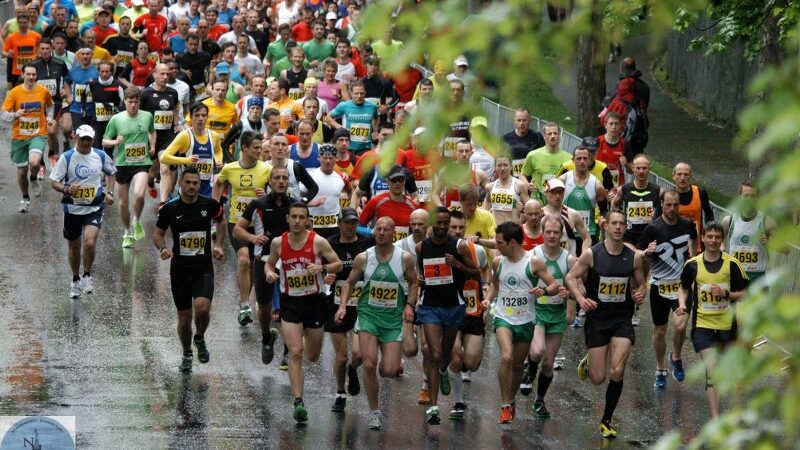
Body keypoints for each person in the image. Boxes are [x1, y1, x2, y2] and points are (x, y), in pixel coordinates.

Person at [566, 210, 647, 439]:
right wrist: (581, 299)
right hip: (598, 319)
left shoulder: (634, 257)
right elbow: (570, 277)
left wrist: (640, 293)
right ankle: (590, 362)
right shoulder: (592, 255)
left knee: (618, 370)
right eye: (614, 223)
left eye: (622, 224)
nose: (619, 227)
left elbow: (641, 284)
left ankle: (606, 420)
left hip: (622, 318)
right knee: (598, 377)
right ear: (606, 227)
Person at [333, 216, 416, 429]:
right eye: (377, 229)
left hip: (392, 319)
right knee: (368, 363)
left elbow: (414, 282)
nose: (380, 233)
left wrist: (409, 305)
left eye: (385, 229)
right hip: (368, 314)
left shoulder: (404, 258)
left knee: (389, 370)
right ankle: (375, 412)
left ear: (393, 234)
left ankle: (381, 369)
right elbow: (349, 283)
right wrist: (343, 306)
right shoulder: (363, 257)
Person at [264, 202, 342, 423]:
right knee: (296, 352)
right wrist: (270, 273)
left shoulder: (317, 242)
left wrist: (322, 268)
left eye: (302, 217)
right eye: (294, 217)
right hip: (290, 303)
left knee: (313, 356)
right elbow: (269, 265)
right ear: (287, 219)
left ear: (308, 220)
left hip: (314, 303)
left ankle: (284, 339)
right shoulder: (279, 243)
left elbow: (337, 263)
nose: (297, 221)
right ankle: (298, 401)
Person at [484, 221, 559, 423]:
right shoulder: (498, 262)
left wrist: (543, 290)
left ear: (513, 243)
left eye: (500, 242)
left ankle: (511, 398)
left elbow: (553, 285)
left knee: (517, 366)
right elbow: (495, 285)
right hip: (503, 317)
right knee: (506, 357)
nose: (496, 246)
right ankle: (505, 404)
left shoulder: (533, 262)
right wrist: (488, 299)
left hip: (526, 319)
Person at [153, 166, 226, 373]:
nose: (193, 186)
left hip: (202, 267)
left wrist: (219, 244)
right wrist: (163, 249)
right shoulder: (170, 208)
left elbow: (221, 220)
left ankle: (200, 337)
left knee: (202, 307)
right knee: (184, 318)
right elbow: (157, 233)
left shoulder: (209, 205)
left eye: (196, 183)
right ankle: (186, 352)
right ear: (180, 184)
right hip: (180, 270)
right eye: (188, 182)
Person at [676, 222, 749, 418]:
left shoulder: (732, 264)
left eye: (717, 237)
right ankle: (716, 419)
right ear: (703, 238)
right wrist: (682, 304)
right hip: (703, 325)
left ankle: (734, 414)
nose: (714, 240)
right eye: (710, 236)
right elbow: (682, 288)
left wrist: (726, 294)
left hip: (727, 326)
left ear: (722, 239)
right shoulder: (692, 265)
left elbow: (746, 293)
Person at [415, 207, 480, 425]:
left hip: (454, 306)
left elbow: (476, 272)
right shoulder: (421, 247)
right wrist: (420, 279)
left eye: (446, 223)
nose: (443, 227)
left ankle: (443, 370)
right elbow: (419, 272)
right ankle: (433, 407)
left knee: (445, 355)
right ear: (432, 223)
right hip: (430, 306)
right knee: (433, 353)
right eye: (439, 223)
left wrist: (457, 264)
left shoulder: (459, 246)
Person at [233, 166, 298, 364]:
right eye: (277, 178)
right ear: (269, 181)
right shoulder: (257, 204)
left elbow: (308, 229)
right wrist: (253, 238)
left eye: (284, 178)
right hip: (263, 260)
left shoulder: (296, 204)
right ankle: (266, 337)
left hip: (290, 263)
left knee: (290, 304)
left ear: (288, 181)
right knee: (264, 306)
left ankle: (289, 347)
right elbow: (237, 230)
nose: (281, 181)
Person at [638, 189, 697, 388]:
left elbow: (694, 241)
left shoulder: (687, 225)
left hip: (681, 286)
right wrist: (647, 252)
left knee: (680, 326)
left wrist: (692, 256)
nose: (672, 209)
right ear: (661, 205)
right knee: (661, 330)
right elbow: (639, 254)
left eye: (675, 205)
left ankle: (676, 356)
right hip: (659, 285)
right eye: (668, 205)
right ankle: (661, 367)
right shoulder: (652, 228)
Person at [50, 125, 116, 298]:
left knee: (89, 242)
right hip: (72, 208)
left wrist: (109, 192)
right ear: (75, 138)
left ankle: (87, 275)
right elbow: (54, 181)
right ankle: (75, 279)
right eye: (82, 139)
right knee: (74, 245)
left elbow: (111, 173)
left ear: (93, 140)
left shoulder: (100, 155)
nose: (85, 142)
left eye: (88, 139)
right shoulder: (67, 157)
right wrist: (66, 189)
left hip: (94, 207)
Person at [213, 130, 272, 326]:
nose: (259, 151)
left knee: (254, 265)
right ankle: (246, 304)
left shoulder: (266, 169)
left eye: (260, 147)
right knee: (244, 260)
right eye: (256, 148)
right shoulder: (230, 168)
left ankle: (244, 296)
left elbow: (275, 192)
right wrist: (217, 204)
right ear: (244, 148)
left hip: (258, 225)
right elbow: (218, 182)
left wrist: (266, 194)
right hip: (236, 222)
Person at [521, 215, 576, 416]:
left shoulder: (568, 259)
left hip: (557, 314)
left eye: (556, 232)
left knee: (548, 363)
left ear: (561, 235)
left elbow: (580, 290)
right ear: (542, 233)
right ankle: (529, 371)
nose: (552, 236)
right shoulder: (532, 256)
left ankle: (540, 400)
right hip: (535, 311)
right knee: (537, 351)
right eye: (548, 232)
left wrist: (569, 296)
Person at [323, 208, 373, 411]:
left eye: (353, 222)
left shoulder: (367, 242)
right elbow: (318, 267)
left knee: (358, 356)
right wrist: (324, 276)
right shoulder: (329, 244)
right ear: (339, 223)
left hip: (362, 303)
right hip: (336, 304)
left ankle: (354, 369)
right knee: (342, 356)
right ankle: (340, 392)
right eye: (346, 222)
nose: (350, 226)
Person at [446, 210, 491, 420]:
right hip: (450, 309)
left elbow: (484, 272)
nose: (457, 231)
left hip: (473, 310)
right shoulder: (439, 249)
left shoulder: (477, 250)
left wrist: (487, 294)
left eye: (461, 227)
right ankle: (458, 401)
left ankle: (463, 366)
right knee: (455, 356)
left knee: (472, 363)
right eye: (453, 227)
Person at [102, 86, 155, 247]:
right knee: (123, 203)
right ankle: (126, 232)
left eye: (136, 102)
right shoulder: (116, 119)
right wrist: (114, 142)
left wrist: (152, 145)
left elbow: (152, 131)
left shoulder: (147, 116)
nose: (133, 105)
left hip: (142, 162)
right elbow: (105, 140)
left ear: (140, 102)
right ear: (124, 101)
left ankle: (136, 220)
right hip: (123, 163)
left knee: (139, 195)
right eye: (130, 102)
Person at [2, 64, 55, 212]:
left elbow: (50, 105)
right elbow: (3, 114)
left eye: (34, 74)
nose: (31, 77)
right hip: (19, 137)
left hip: (38, 134)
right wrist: (15, 115)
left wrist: (49, 117)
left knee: (34, 161)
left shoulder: (43, 91)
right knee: (21, 171)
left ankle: (34, 177)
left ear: (36, 76)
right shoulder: (14, 93)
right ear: (23, 75)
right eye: (28, 74)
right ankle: (25, 198)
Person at [160, 102, 224, 198]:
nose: (200, 119)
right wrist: (186, 160)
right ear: (190, 117)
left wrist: (218, 160)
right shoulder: (184, 136)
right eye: (197, 115)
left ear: (207, 117)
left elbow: (218, 150)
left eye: (203, 115)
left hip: (207, 188)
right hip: (187, 189)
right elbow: (164, 158)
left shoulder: (213, 136)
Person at [721, 181, 774, 282]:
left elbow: (785, 249)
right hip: (734, 274)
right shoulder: (729, 220)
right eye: (746, 196)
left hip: (757, 277)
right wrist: (723, 249)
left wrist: (769, 243)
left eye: (753, 196)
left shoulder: (767, 221)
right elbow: (719, 239)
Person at [558, 145, 608, 245]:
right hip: (566, 232)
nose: (582, 161)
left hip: (588, 234)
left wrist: (603, 218)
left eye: (585, 158)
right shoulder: (563, 180)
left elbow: (604, 210)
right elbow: (551, 202)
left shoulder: (596, 185)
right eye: (579, 158)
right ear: (573, 160)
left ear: (589, 160)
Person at [31, 38, 70, 164]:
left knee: (52, 131)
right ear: (38, 50)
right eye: (42, 49)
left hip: (55, 103)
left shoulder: (59, 63)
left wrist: (65, 89)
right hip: (38, 105)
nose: (45, 51)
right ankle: (41, 161)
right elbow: (23, 82)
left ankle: (53, 154)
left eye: (47, 49)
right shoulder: (33, 65)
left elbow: (68, 78)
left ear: (52, 49)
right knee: (41, 133)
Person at [358, 165, 419, 243]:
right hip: (380, 249)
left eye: (401, 180)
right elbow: (358, 227)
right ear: (387, 181)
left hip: (404, 251)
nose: (398, 183)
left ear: (405, 181)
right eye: (394, 180)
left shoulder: (413, 206)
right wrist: (373, 232)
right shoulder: (376, 202)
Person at [611, 154, 661, 246]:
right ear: (633, 168)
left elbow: (666, 209)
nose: (641, 171)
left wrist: (657, 214)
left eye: (644, 168)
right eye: (638, 168)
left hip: (649, 235)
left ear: (649, 169)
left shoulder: (657, 190)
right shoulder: (624, 189)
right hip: (629, 236)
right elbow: (614, 204)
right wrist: (620, 219)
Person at [519, 122, 570, 201]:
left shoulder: (569, 158)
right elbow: (522, 175)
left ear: (559, 135)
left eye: (555, 133)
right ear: (544, 136)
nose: (552, 136)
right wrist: (527, 185)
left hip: (558, 203)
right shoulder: (533, 155)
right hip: (538, 204)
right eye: (549, 134)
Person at [326, 79, 378, 156]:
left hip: (366, 147)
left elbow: (376, 118)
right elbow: (328, 118)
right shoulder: (344, 105)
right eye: (356, 93)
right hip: (348, 146)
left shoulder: (372, 106)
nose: (359, 96)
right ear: (351, 94)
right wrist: (340, 127)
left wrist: (375, 130)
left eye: (361, 93)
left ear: (365, 93)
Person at [308, 144, 350, 239]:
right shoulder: (310, 176)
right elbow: (299, 200)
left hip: (334, 225)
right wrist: (312, 203)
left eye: (331, 158)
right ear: (319, 158)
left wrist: (351, 209)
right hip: (313, 224)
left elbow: (352, 193)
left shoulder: (342, 177)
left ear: (336, 159)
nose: (327, 161)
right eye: (325, 158)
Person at [432, 141, 490, 211]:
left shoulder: (479, 173)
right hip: (450, 217)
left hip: (470, 217)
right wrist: (443, 209)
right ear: (455, 153)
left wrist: (483, 209)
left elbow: (490, 193)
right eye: (461, 151)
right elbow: (435, 195)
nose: (464, 154)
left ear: (471, 153)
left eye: (467, 151)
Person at [542, 178, 591, 256]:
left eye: (560, 192)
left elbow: (587, 238)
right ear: (546, 193)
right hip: (544, 263)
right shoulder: (539, 214)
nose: (557, 196)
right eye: (554, 192)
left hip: (568, 263)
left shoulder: (573, 214)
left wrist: (583, 257)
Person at [673, 162, 714, 254]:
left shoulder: (700, 192)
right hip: (675, 247)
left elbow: (708, 212)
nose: (682, 178)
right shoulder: (669, 195)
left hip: (698, 246)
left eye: (686, 174)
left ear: (690, 176)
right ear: (674, 176)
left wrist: (709, 230)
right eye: (679, 174)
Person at [85, 61, 124, 153]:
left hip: (111, 123)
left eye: (107, 72)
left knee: (108, 151)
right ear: (98, 71)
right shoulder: (92, 84)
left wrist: (114, 109)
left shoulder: (117, 85)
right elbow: (83, 96)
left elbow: (126, 104)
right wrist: (84, 110)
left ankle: (106, 167)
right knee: (97, 148)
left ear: (111, 72)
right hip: (96, 122)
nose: (104, 74)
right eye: (102, 71)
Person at [484, 154, 529, 224]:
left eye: (505, 165)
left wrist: (521, 211)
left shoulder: (520, 185)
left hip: (513, 229)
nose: (502, 168)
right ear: (495, 167)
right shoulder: (489, 187)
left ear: (511, 167)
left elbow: (529, 209)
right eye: (499, 165)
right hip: (495, 229)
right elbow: (485, 211)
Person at [502, 108, 545, 178]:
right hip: (512, 180)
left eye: (524, 120)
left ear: (530, 120)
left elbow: (543, 159)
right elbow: (500, 160)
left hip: (531, 181)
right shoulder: (506, 138)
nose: (521, 123)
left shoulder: (537, 137)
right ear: (514, 121)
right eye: (519, 120)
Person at [3, 14, 41, 88]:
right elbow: (3, 52)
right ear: (17, 23)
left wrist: (39, 54)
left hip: (32, 72)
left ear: (28, 22)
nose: (22, 25)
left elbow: (41, 48)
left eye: (25, 22)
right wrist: (8, 54)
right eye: (20, 22)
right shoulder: (11, 37)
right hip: (17, 73)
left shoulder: (36, 36)